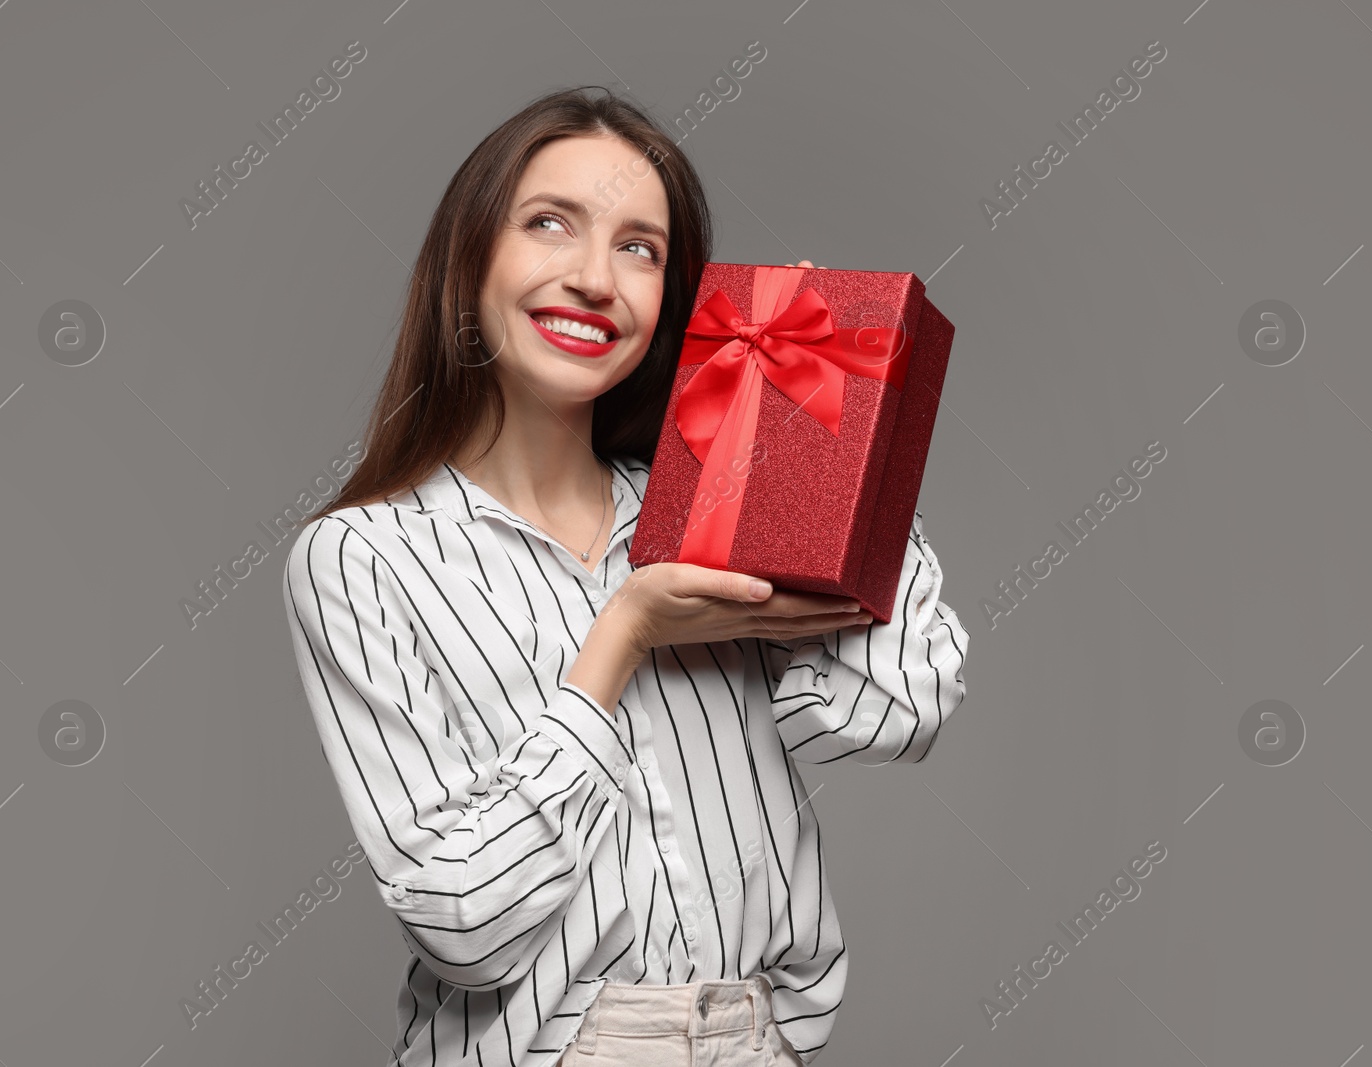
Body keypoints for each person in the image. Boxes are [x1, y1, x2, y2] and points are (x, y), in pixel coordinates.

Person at [283, 85, 969, 1067]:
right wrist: (620, 636)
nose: (594, 278)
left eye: (639, 247)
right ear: (468, 261)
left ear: (674, 301)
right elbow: (466, 923)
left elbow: (887, 715)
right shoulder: (363, 558)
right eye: (549, 224)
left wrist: (832, 440)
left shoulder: (712, 511)